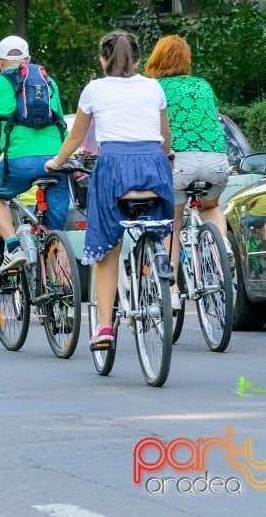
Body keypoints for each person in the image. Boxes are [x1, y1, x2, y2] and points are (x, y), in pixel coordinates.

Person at [45, 30, 174, 350]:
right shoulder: (153, 87)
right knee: (156, 226)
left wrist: (56, 162)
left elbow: (75, 138)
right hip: (154, 167)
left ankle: (104, 327)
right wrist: (166, 158)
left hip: (114, 168)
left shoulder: (94, 90)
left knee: (106, 246)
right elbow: (165, 136)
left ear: (103, 60)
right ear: (139, 59)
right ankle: (156, 271)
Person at [0, 35, 69, 273]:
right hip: (57, 161)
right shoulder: (49, 82)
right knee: (55, 234)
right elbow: (60, 124)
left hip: (19, 163)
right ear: (28, 59)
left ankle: (14, 246)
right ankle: (62, 291)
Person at [144, 34, 231, 284]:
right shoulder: (203, 85)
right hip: (216, 161)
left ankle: (170, 284)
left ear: (157, 58)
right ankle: (221, 248)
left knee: (173, 220)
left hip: (178, 163)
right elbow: (213, 118)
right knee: (211, 206)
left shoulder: (155, 88)